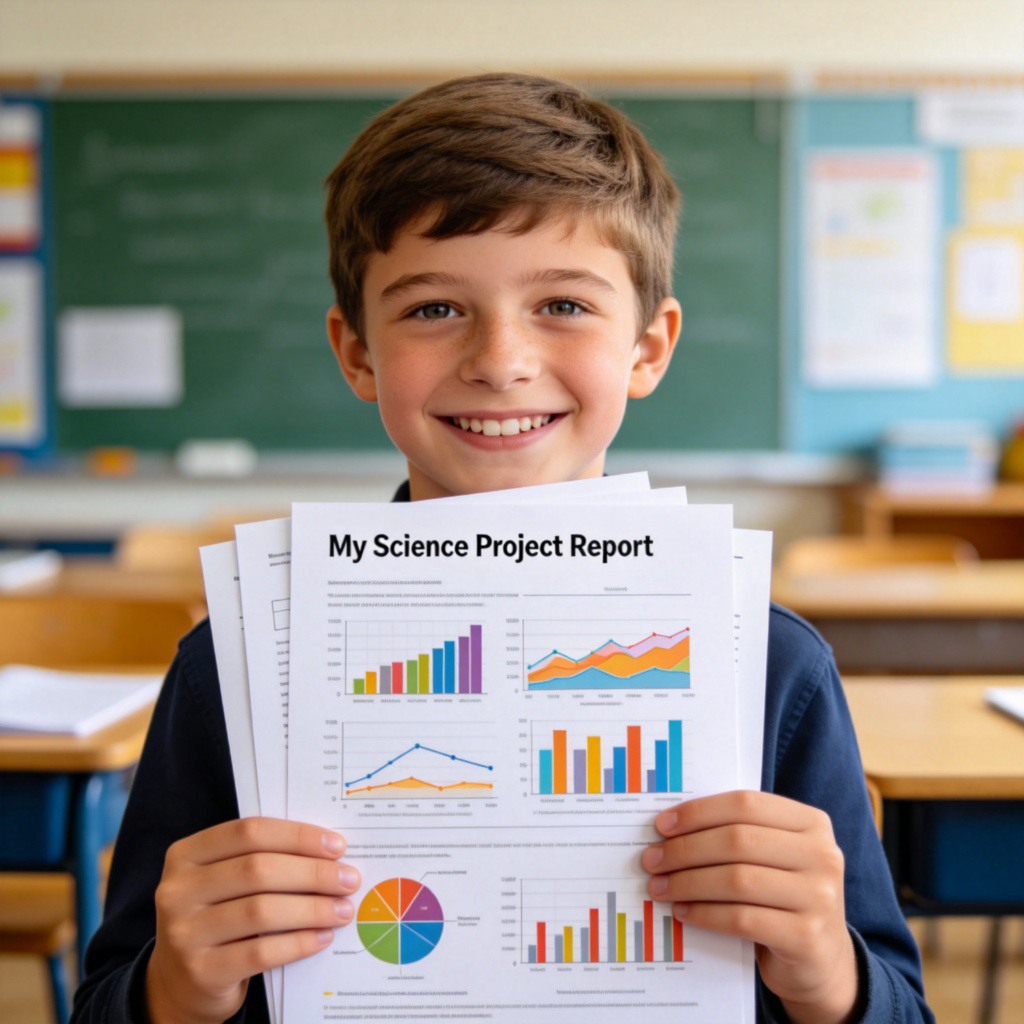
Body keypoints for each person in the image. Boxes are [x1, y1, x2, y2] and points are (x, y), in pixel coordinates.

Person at [71, 73, 933, 1024]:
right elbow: (111, 1001)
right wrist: (173, 989)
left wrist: (829, 974)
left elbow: (897, 1008)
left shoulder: (771, 665)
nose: (500, 359)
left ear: (648, 349)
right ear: (357, 353)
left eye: (563, 304)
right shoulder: (235, 667)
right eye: (434, 309)